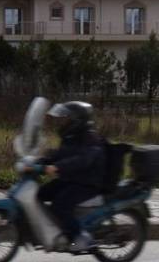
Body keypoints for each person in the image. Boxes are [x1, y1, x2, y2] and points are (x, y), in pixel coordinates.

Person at [36, 101, 106, 252]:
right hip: (72, 179)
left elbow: (84, 160)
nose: (62, 121)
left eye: (66, 118)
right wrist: (39, 162)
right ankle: (53, 230)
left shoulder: (90, 137)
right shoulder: (70, 135)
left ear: (77, 119)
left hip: (87, 183)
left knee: (60, 205)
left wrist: (58, 167)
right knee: (39, 194)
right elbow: (61, 155)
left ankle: (80, 237)